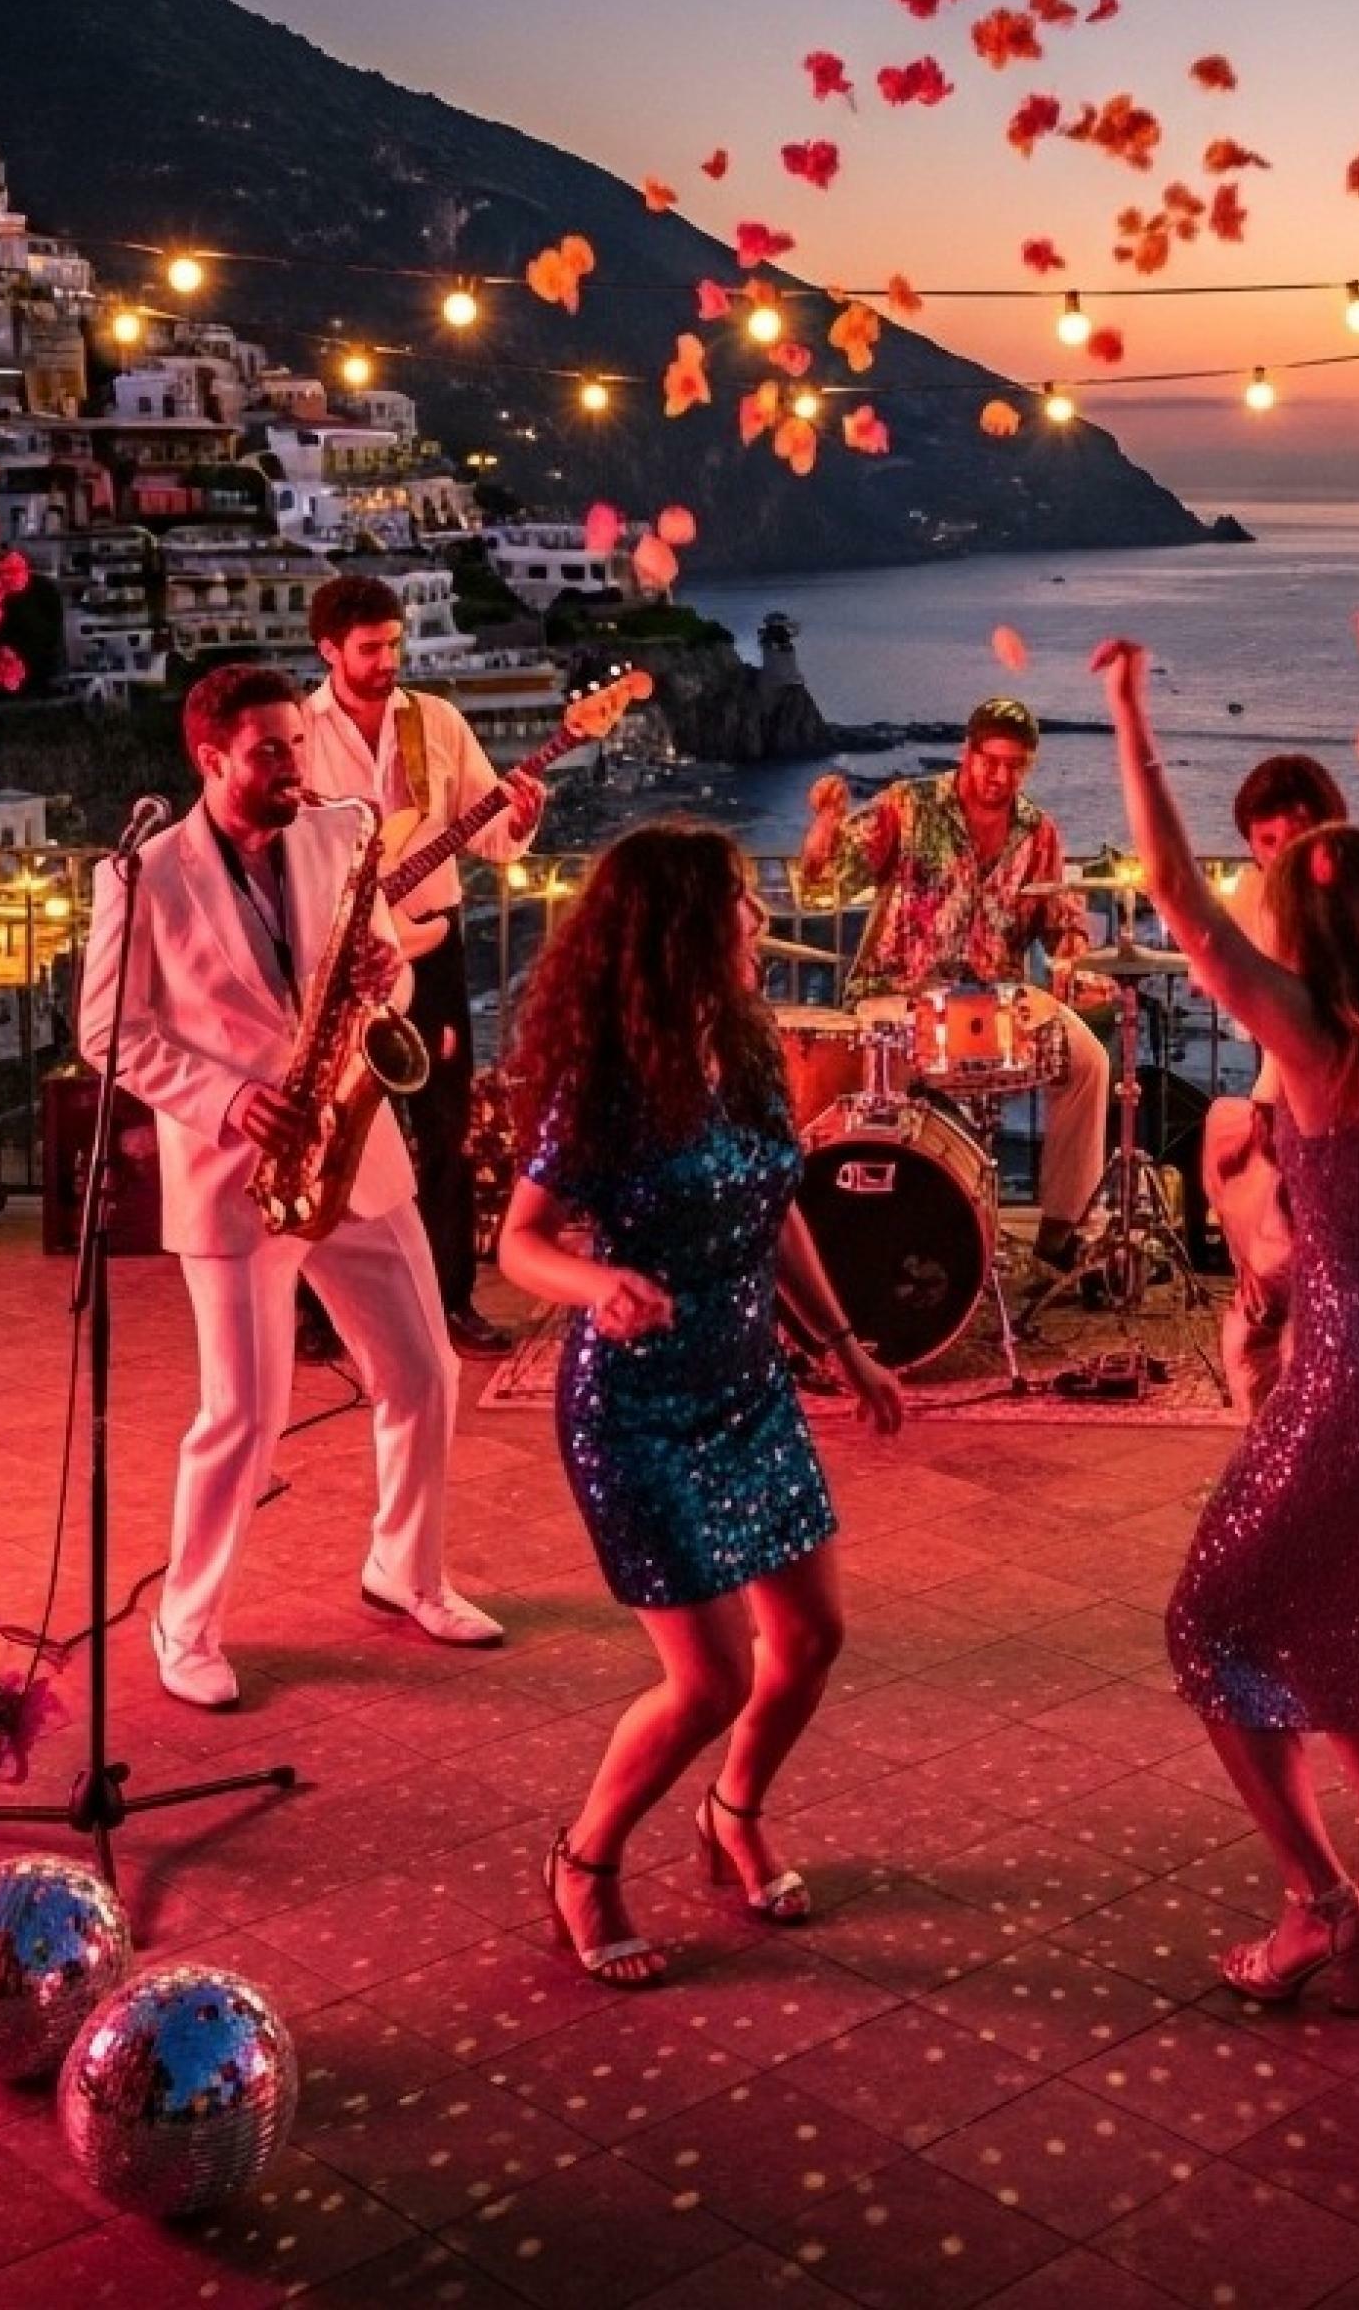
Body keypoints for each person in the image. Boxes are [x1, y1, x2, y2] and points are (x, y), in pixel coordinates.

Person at [1094, 579, 1359, 2018]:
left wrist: (1131, 717)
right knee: (1336, 1622)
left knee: (1213, 1628)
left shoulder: (1316, 1040)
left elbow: (1178, 898)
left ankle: (1316, 1902)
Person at [497, 823, 905, 1985]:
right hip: (634, 1410)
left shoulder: (749, 1042)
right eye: (736, 901)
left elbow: (779, 1208)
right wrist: (599, 1284)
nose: (756, 920)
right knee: (712, 1677)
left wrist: (844, 1349)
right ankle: (584, 1859)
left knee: (811, 1640)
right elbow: (521, 1242)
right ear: (680, 927)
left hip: (749, 1389)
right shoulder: (607, 1084)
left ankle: (734, 1811)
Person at [79, 662, 498, 1714]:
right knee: (242, 1417)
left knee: (424, 1371)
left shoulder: (337, 835)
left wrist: (387, 977)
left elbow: (387, 965)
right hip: (238, 1169)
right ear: (210, 758)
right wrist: (228, 1101)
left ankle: (406, 1567)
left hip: (351, 1141)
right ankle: (186, 1624)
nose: (293, 766)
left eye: (296, 746)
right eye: (270, 751)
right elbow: (108, 1035)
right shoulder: (142, 875)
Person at [302, 572, 544, 1359]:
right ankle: (318, 1308)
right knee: (331, 1125)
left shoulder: (435, 722)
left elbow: (489, 834)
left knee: (447, 1127)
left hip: (432, 946)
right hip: (342, 958)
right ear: (329, 650)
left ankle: (451, 1298)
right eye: (370, 648)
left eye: (394, 645)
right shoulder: (301, 732)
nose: (387, 661)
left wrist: (520, 820)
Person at [794, 696, 1107, 1272]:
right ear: (968, 753)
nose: (1000, 777)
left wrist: (1072, 955)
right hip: (898, 995)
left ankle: (1060, 1235)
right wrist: (824, 829)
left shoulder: (1038, 833)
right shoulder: (907, 806)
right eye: (991, 761)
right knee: (878, 1087)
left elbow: (1059, 921)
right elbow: (826, 886)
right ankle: (877, 1241)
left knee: (1089, 1062)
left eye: (1014, 765)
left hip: (995, 1005)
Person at [1200, 752, 1350, 1420]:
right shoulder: (1254, 896)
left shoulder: (1353, 908)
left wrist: (1268, 1110)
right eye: (1267, 842)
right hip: (1286, 1091)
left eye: (1298, 835)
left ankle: (1292, 1417)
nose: (1283, 854)